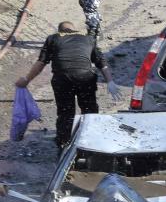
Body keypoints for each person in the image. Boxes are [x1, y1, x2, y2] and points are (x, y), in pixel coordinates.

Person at [15, 21, 123, 151]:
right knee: (89, 110)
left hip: (62, 79)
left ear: (59, 30)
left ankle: (63, 143)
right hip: (85, 78)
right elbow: (101, 62)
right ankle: (91, 142)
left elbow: (41, 62)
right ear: (74, 29)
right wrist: (110, 81)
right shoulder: (88, 39)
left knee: (65, 113)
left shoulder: (53, 38)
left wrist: (26, 79)